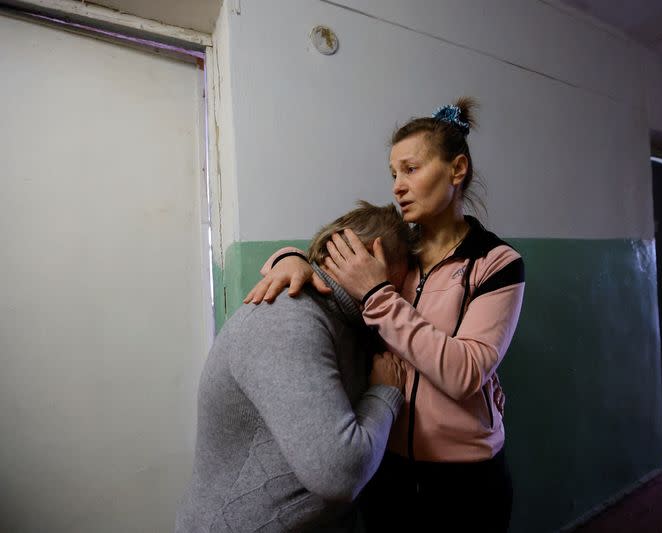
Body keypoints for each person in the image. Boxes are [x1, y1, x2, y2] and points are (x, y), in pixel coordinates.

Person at [244, 98, 525, 532]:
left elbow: (464, 373)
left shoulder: (496, 263)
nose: (397, 185)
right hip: (385, 462)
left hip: (466, 475)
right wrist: (290, 257)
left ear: (457, 169)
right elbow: (325, 252)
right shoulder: (395, 252)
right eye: (393, 173)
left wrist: (377, 295)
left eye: (411, 169)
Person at [176, 202, 414, 533]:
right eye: (408, 278)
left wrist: (291, 256)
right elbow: (339, 474)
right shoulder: (286, 319)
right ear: (374, 260)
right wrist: (385, 393)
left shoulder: (354, 322)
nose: (407, 295)